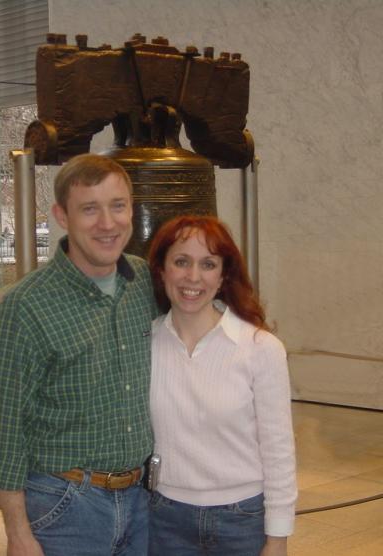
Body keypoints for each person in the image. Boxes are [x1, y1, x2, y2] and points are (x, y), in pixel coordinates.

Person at [0, 154, 156, 556]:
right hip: (64, 508)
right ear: (62, 215)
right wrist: (18, 534)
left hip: (142, 501)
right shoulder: (26, 306)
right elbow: (2, 428)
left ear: (132, 208)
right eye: (89, 209)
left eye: (117, 206)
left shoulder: (144, 280)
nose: (107, 224)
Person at [147, 215, 297, 556]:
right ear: (162, 269)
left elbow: (278, 452)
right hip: (164, 519)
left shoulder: (260, 348)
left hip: (243, 520)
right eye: (181, 261)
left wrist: (277, 538)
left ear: (223, 275)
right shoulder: (146, 342)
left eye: (208, 264)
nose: (193, 277)